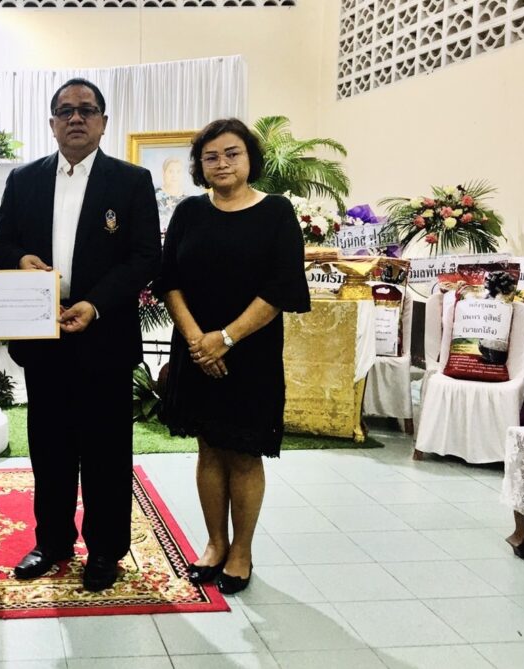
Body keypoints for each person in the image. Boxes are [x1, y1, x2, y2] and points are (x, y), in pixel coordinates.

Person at [0, 78, 161, 592]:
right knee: (50, 449)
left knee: (107, 452)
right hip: (43, 338)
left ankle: (106, 549)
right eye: (66, 111)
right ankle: (53, 542)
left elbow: (145, 256)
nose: (76, 118)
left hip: (104, 338)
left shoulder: (131, 181)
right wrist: (21, 259)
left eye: (87, 110)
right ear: (52, 123)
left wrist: (95, 304)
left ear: (104, 121)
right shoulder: (24, 179)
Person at [154, 118, 310, 595]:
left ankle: (241, 551)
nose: (221, 163)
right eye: (211, 156)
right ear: (200, 165)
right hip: (196, 348)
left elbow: (282, 287)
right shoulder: (189, 213)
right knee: (208, 448)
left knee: (243, 453)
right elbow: (169, 280)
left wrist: (226, 338)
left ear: (250, 158)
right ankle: (215, 544)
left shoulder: (276, 212)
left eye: (231, 153)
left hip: (250, 353)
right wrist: (198, 340)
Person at [155, 157, 187, 235]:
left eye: (178, 172)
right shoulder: (153, 195)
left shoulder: (187, 200)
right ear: (163, 173)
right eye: (170, 171)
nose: (174, 175)